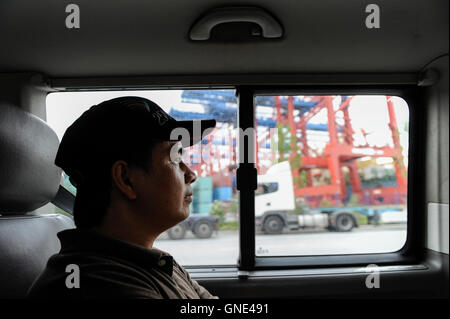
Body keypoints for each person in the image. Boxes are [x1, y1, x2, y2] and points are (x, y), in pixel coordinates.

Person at [27, 96, 218, 299]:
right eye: (175, 158)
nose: (191, 174)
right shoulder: (99, 284)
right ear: (126, 179)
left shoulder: (148, 261)